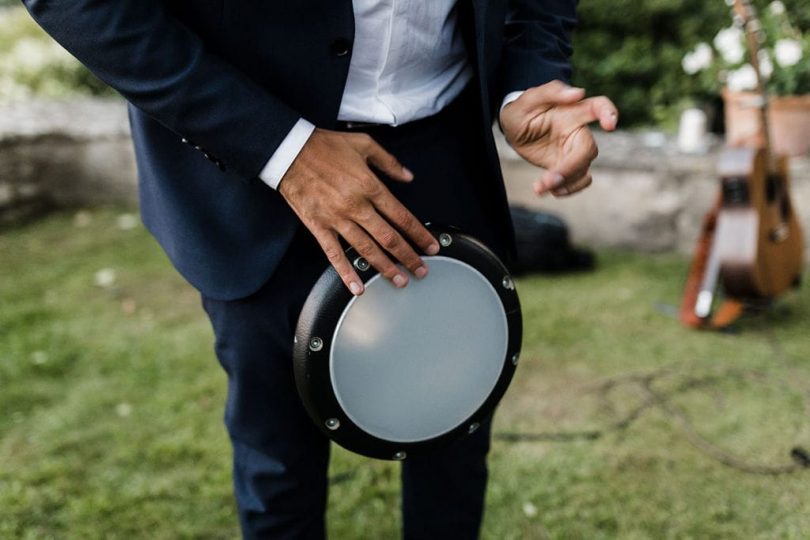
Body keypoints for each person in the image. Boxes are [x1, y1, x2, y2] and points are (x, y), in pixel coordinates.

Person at [24, 0, 617, 537]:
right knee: (279, 467)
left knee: (455, 440)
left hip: (447, 145)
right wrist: (280, 148)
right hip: (259, 163)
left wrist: (527, 83)